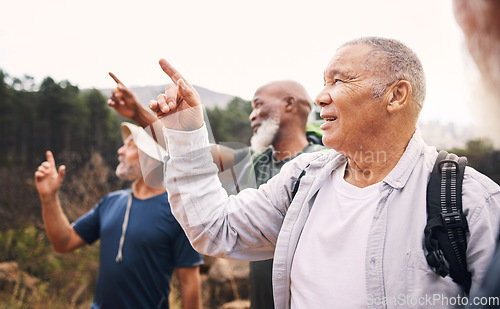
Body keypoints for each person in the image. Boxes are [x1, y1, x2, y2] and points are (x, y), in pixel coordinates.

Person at [149, 37, 500, 308]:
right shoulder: (302, 180)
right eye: (323, 81)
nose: (320, 96)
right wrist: (186, 135)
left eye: (339, 80)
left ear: (396, 95)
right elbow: (216, 229)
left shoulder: (469, 200)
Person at [34, 121, 203, 307]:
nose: (120, 151)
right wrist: (48, 198)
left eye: (130, 146)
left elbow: (189, 282)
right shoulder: (111, 202)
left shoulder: (177, 211)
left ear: (150, 156)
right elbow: (63, 242)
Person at [234, 80, 325, 309]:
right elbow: (205, 156)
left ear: (288, 104)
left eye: (258, 104)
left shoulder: (323, 166)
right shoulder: (256, 164)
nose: (251, 116)